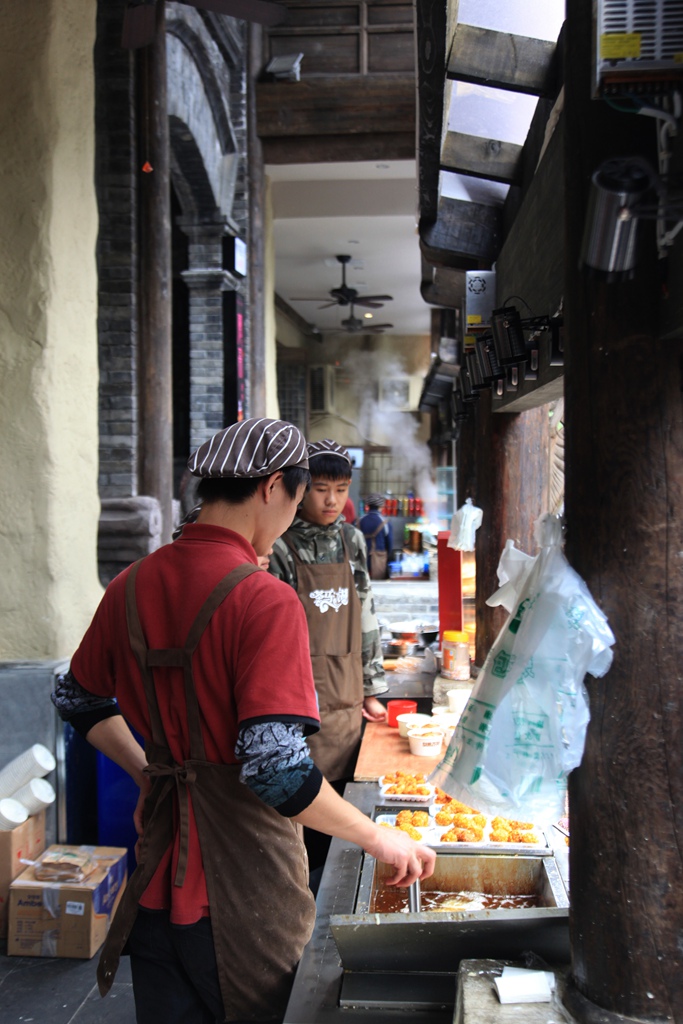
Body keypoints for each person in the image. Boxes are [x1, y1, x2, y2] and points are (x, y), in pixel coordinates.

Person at [51, 418, 435, 1024]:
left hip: (153, 879)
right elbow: (277, 771)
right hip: (243, 891)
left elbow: (77, 696)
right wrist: (374, 834)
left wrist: (149, 770)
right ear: (274, 487)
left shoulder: (128, 584)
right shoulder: (264, 600)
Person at [268, 439, 389, 877]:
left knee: (341, 810)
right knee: (299, 812)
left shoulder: (351, 539)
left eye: (341, 488)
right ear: (300, 490)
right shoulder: (280, 546)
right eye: (321, 488)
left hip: (347, 696)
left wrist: (373, 688)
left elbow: (366, 613)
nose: (332, 500)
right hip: (299, 699)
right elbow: (274, 635)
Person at [359, 492, 393, 580]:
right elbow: (389, 546)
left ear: (368, 505)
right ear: (381, 506)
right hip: (378, 562)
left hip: (360, 562)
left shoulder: (358, 521)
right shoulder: (385, 523)